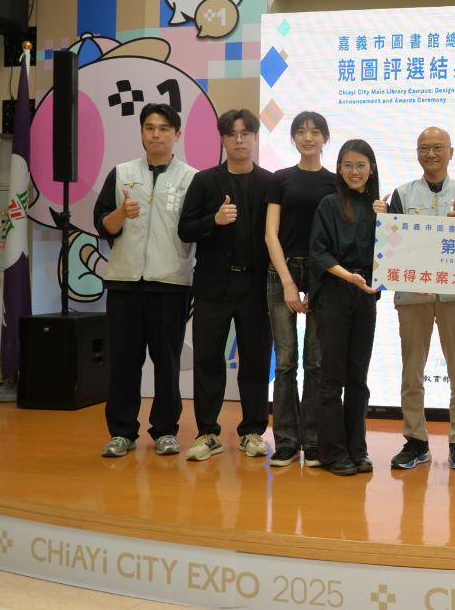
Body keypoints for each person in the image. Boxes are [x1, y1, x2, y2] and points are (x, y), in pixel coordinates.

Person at [375, 127, 455, 471]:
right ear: (417, 153)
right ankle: (416, 440)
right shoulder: (402, 194)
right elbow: (392, 246)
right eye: (424, 148)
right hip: (412, 295)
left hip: (453, 295)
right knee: (411, 371)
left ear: (451, 152)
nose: (431, 154)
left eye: (438, 147)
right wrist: (382, 220)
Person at [94, 103, 196, 458]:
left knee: (167, 363)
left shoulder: (191, 178)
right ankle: (122, 432)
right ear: (141, 132)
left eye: (164, 128)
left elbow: (196, 229)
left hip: (170, 283)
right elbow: (104, 225)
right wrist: (122, 213)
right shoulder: (121, 173)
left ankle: (165, 430)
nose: (156, 134)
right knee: (123, 363)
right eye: (150, 127)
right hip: (125, 283)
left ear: (177, 134)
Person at [178, 109, 274, 462]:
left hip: (255, 286)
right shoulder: (205, 181)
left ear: (255, 138)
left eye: (245, 133)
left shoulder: (269, 182)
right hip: (213, 286)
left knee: (256, 361)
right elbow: (185, 230)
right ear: (222, 139)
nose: (239, 140)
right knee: (207, 360)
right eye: (232, 134)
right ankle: (207, 433)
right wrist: (214, 220)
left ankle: (252, 431)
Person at [263, 111, 336, 468]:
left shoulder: (335, 182)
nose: (308, 137)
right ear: (292, 138)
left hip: (323, 275)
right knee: (286, 362)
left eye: (315, 132)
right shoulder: (280, 179)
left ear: (325, 139)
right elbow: (270, 234)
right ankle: (287, 442)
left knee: (317, 363)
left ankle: (314, 440)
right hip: (283, 272)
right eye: (301, 132)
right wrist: (288, 282)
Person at [309, 139, 381, 476]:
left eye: (361, 165)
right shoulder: (328, 204)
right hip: (335, 293)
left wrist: (387, 222)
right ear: (338, 168)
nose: (355, 171)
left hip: (366, 295)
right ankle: (332, 452)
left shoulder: (380, 208)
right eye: (348, 165)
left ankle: (357, 450)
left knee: (358, 379)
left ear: (371, 169)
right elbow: (319, 252)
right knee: (332, 377)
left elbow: (394, 253)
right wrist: (349, 277)